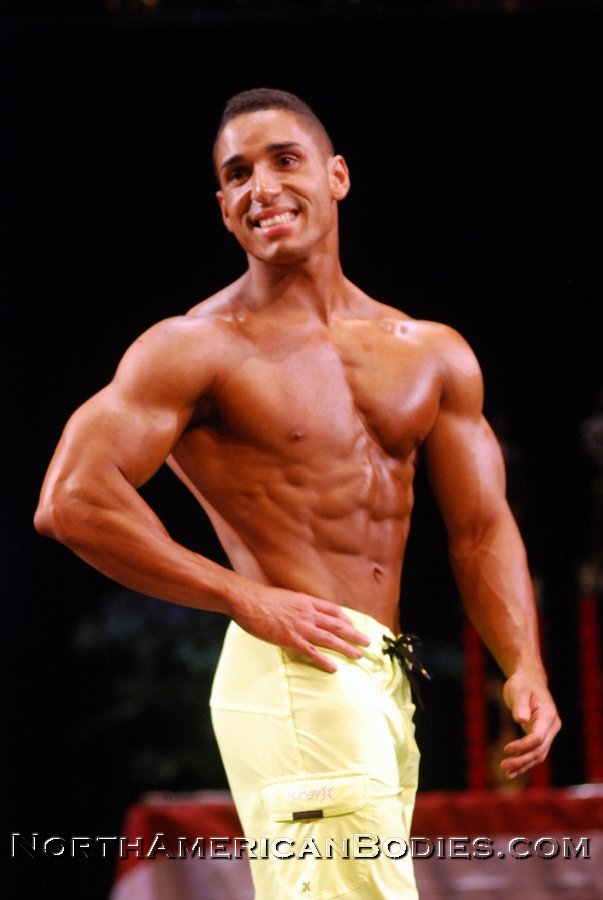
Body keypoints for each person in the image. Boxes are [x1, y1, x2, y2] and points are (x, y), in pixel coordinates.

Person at [35, 88, 561, 898]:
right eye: (237, 174)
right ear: (223, 208)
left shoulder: (431, 353)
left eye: (284, 161)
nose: (262, 187)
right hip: (296, 664)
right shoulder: (194, 347)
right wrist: (242, 596)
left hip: (379, 672)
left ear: (336, 176)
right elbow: (72, 499)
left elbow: (480, 528)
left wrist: (522, 662)